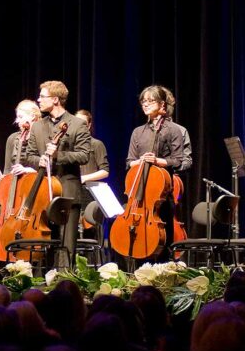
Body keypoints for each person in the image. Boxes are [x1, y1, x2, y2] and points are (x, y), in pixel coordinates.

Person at [25, 81, 91, 263]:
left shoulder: (77, 124)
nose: (38, 100)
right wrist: (39, 160)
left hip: (67, 191)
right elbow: (28, 155)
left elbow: (84, 156)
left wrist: (57, 156)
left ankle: (66, 284)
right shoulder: (37, 126)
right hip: (43, 193)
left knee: (67, 244)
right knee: (45, 242)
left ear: (55, 99)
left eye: (42, 96)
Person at [123, 85, 185, 259]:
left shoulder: (173, 130)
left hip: (162, 195)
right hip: (139, 194)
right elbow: (130, 162)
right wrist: (141, 160)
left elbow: (178, 160)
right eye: (143, 101)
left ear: (162, 105)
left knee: (164, 244)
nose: (145, 104)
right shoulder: (138, 132)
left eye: (150, 101)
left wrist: (157, 161)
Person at [74, 109, 109, 239]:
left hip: (89, 193)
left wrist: (84, 178)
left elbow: (105, 171)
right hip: (74, 191)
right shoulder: (70, 145)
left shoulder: (96, 144)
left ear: (88, 125)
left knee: (90, 232)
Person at [4, 100, 41, 175]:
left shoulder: (41, 137)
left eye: (20, 117)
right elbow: (7, 169)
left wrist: (29, 170)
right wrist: (5, 179)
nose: (17, 121)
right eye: (17, 117)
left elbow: (48, 166)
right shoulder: (12, 138)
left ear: (33, 116)